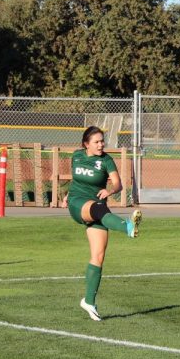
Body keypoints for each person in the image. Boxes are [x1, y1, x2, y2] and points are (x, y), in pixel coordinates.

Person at [62, 125, 142, 322]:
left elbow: (118, 183)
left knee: (98, 256)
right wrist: (66, 196)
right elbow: (75, 180)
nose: (101, 144)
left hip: (98, 207)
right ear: (86, 144)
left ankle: (89, 301)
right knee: (99, 209)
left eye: (102, 141)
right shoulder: (77, 156)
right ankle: (127, 227)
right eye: (96, 141)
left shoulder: (106, 160)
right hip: (77, 203)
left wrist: (110, 191)